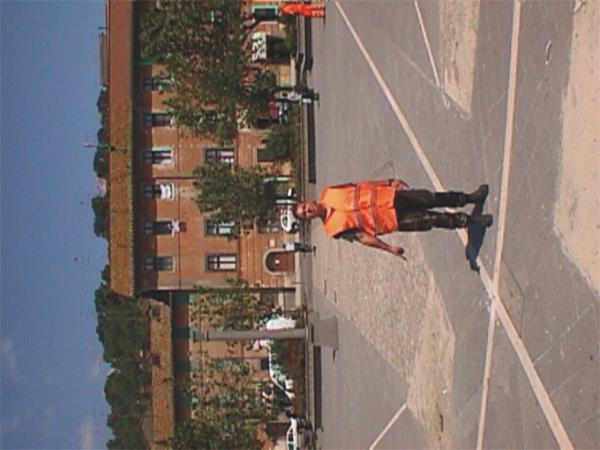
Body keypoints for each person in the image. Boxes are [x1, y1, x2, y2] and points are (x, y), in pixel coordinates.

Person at [293, 179, 492, 258]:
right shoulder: (332, 229)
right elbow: (362, 237)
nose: (307, 211)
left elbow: (360, 185)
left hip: (390, 196)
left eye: (304, 207)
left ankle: (469, 198)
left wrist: (388, 182)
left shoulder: (329, 191)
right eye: (304, 214)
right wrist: (389, 248)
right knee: (433, 219)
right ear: (308, 219)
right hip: (393, 219)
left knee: (432, 198)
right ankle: (472, 222)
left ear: (306, 201)